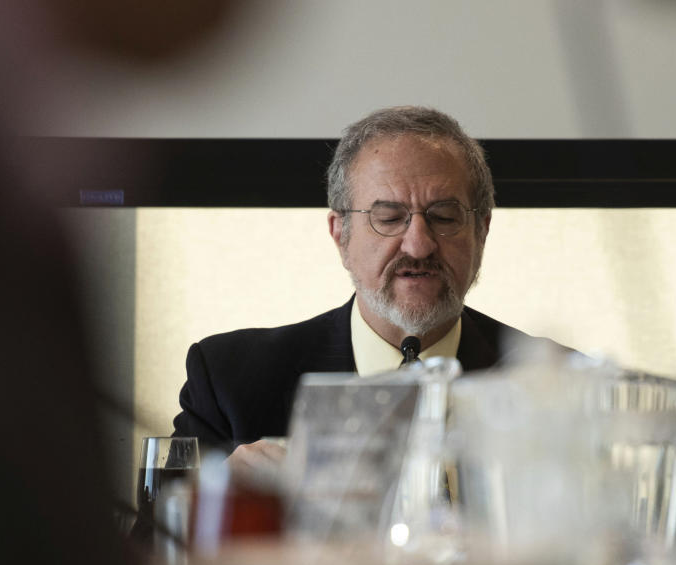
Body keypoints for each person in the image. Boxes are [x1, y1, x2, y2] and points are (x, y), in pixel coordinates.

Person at [172, 105, 566, 462]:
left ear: (482, 231)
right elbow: (152, 538)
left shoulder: (564, 388)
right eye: (389, 217)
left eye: (444, 216)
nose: (418, 244)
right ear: (340, 234)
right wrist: (218, 504)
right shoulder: (230, 381)